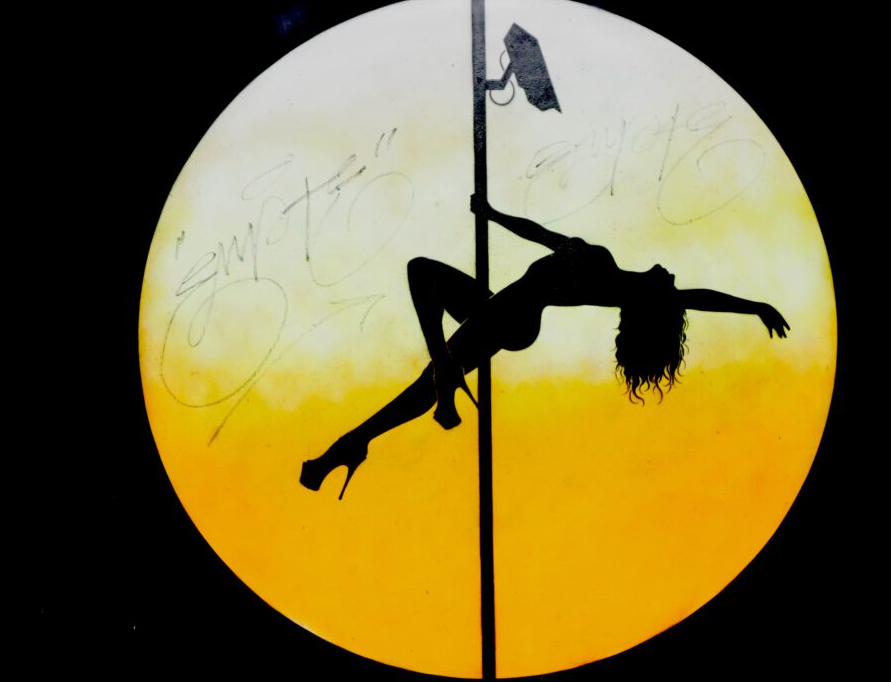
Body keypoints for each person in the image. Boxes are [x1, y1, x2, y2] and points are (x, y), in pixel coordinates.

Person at [299, 200, 789, 498]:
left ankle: (426, 387)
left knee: (423, 293)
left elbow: (699, 298)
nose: (672, 276)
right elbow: (541, 234)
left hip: (515, 320)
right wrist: (492, 215)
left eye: (671, 288)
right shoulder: (606, 262)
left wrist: (755, 307)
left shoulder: (628, 290)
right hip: (497, 307)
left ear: (656, 304)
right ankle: (364, 436)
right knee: (423, 275)